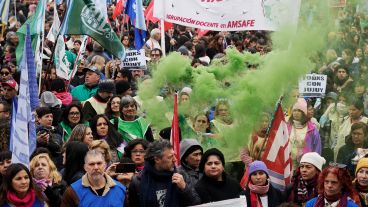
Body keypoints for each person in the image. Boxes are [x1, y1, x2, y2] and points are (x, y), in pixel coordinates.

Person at [129, 139, 200, 206]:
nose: (175, 160)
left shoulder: (180, 175)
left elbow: (196, 203)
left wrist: (184, 188)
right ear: (157, 159)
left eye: (174, 155)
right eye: (170, 157)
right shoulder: (138, 181)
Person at [61, 150, 126, 207]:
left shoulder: (120, 189)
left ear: (105, 165)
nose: (96, 167)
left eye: (99, 163)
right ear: (85, 167)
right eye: (91, 164)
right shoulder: (72, 192)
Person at [287, 98, 321, 167]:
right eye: (294, 110)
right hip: (289, 165)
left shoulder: (312, 129)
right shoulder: (287, 127)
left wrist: (314, 165)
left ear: (304, 112)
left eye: (299, 111)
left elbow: (317, 149)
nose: (296, 113)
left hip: (306, 165)